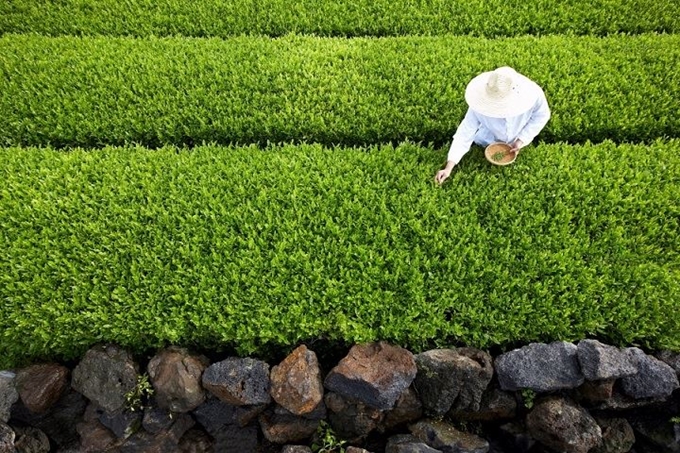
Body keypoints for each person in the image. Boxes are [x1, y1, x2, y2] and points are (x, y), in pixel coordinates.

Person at [435, 66, 551, 184]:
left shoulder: (534, 94)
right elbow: (465, 132)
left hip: (517, 139)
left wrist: (521, 140)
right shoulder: (478, 105)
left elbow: (541, 116)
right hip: (486, 140)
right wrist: (449, 167)